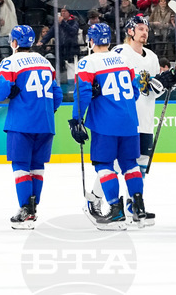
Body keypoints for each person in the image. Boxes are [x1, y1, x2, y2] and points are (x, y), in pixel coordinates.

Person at [0, 26, 62, 229]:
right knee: (37, 168)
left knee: (20, 167)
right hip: (45, 123)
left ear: (15, 43)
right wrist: (42, 110)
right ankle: (33, 210)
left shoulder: (10, 62)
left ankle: (26, 210)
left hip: (21, 123)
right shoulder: (45, 62)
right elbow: (57, 95)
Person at [104, 15, 176, 225]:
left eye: (146, 29)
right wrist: (152, 84)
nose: (144, 32)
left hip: (146, 118)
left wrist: (168, 82)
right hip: (126, 119)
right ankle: (98, 199)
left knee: (141, 166)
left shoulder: (153, 57)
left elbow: (152, 92)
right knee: (122, 166)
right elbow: (120, 85)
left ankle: (133, 204)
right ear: (130, 32)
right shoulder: (119, 53)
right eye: (140, 28)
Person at [70, 23, 147, 229]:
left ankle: (115, 209)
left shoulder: (87, 63)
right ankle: (138, 207)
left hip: (106, 123)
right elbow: (135, 90)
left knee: (104, 165)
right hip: (130, 121)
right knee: (130, 164)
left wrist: (76, 119)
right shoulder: (123, 59)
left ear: (91, 40)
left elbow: (83, 93)